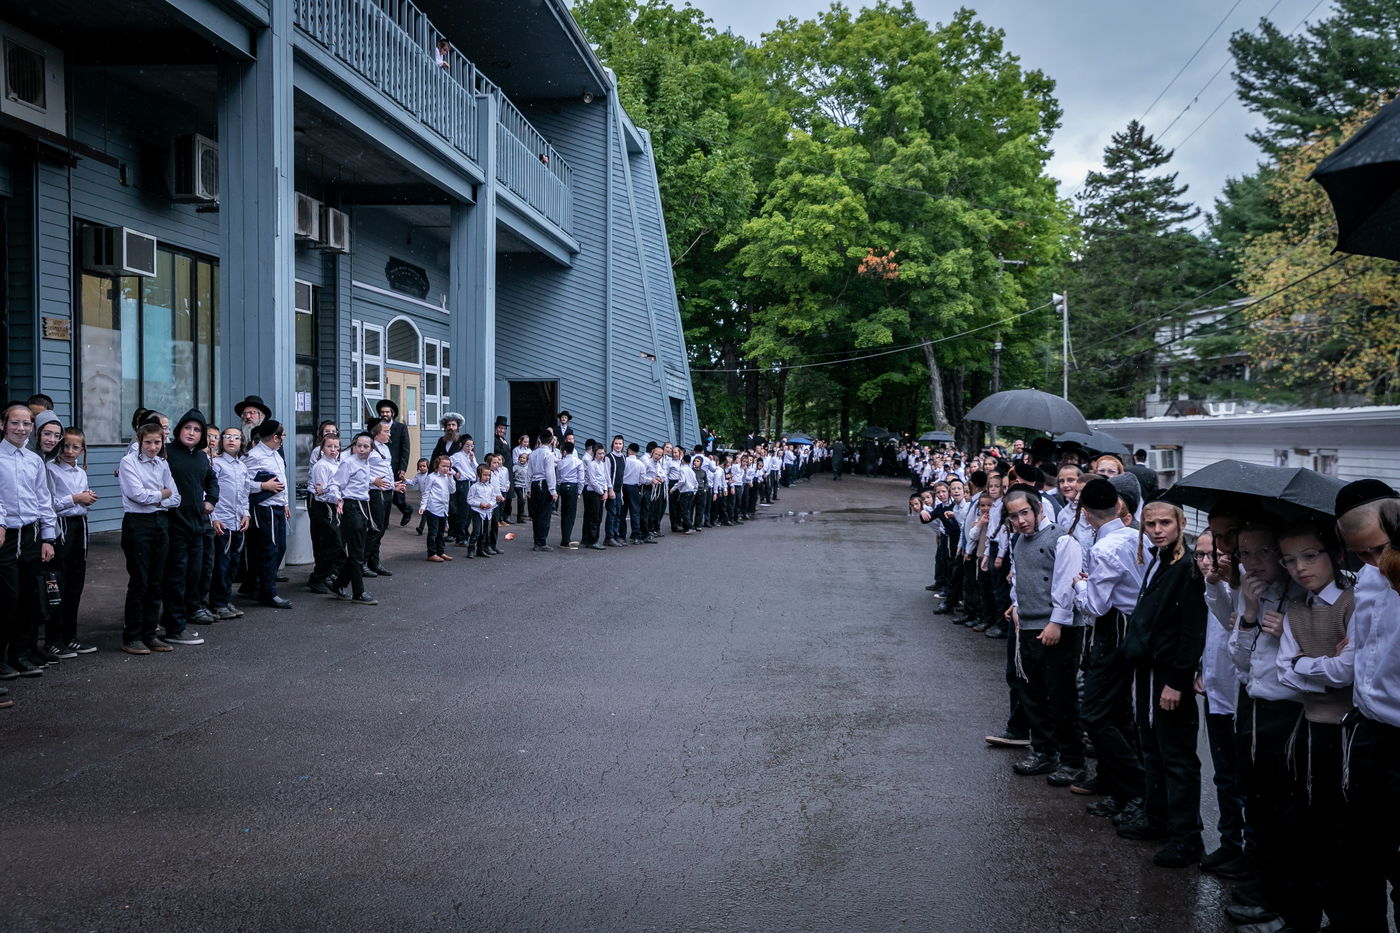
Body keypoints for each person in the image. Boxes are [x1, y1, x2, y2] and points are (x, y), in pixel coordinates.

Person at [1274, 519, 1357, 931]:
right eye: (1289, 561)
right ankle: (1304, 915)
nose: (1300, 567)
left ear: (1335, 555)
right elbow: (1283, 672)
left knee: (1342, 831)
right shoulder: (1295, 610)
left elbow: (1348, 672)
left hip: (1346, 734)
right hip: (1307, 728)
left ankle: (1342, 917)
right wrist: (1314, 666)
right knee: (1304, 825)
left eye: (1309, 556)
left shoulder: (1352, 603)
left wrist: (1304, 664)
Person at [1119, 499, 1206, 868]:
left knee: (1177, 756)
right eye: (1150, 523)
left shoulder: (1188, 567)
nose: (1157, 530)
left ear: (1181, 523)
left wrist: (1178, 680)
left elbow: (1191, 629)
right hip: (1147, 671)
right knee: (1151, 747)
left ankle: (1187, 837)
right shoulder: (1159, 559)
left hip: (1169, 675)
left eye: (1165, 523)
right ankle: (1158, 819)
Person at [1331, 479, 1399, 933]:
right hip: (1367, 732)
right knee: (1361, 852)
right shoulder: (1369, 578)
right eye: (1360, 554)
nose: (1372, 561)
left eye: (1377, 549)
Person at [1070, 475, 1147, 818]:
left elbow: (1096, 606)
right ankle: (1120, 789)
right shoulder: (1135, 535)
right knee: (1118, 712)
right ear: (1119, 506)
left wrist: (1078, 586)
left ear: (1085, 513)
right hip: (1133, 627)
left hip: (1113, 630)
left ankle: (1136, 787)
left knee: (1095, 714)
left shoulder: (1104, 548)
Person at [1004, 487, 1086, 786]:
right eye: (1014, 516)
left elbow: (1067, 582)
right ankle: (1043, 752)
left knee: (1061, 696)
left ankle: (1074, 761)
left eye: (1025, 513)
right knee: (1033, 693)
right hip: (1026, 626)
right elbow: (1018, 577)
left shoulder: (1062, 539)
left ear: (1038, 509)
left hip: (1058, 629)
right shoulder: (1018, 542)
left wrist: (1057, 622)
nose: (1021, 520)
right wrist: (1015, 605)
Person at [0, 404, 58, 682]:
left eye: (26, 424)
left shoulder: (33, 460)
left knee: (28, 598)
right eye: (15, 423)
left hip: (32, 534)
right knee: (6, 598)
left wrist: (48, 536)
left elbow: (43, 499)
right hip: (5, 536)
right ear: (3, 425)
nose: (21, 429)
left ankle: (20, 655)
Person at [118, 421, 179, 655]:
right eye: (148, 442)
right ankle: (131, 635)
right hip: (138, 524)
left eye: (157, 442)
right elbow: (137, 496)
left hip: (160, 523)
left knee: (156, 581)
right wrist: (162, 494)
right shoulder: (128, 462)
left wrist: (160, 497)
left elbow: (176, 497)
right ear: (139, 441)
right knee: (140, 581)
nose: (152, 447)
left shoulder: (162, 464)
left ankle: (149, 633)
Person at [157, 410, 218, 646]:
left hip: (198, 525)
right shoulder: (167, 453)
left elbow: (212, 480)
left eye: (197, 430)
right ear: (178, 429)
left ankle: (175, 618)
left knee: (194, 575)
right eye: (187, 428)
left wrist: (211, 500)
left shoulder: (202, 457)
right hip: (173, 525)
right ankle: (174, 627)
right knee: (175, 577)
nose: (191, 433)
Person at [45, 427, 98, 659]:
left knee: (76, 583)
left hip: (79, 526)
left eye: (75, 447)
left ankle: (70, 636)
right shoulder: (50, 469)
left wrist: (87, 499)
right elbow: (49, 503)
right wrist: (76, 498)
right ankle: (52, 639)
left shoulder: (80, 472)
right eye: (65, 445)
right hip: (61, 527)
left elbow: (81, 504)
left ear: (82, 449)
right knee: (59, 583)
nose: (69, 450)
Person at [244, 420, 292, 609]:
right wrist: (263, 486)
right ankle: (267, 592)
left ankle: (256, 585)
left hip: (278, 506)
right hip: (265, 507)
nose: (284, 438)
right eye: (283, 435)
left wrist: (286, 502)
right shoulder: (254, 456)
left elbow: (283, 480)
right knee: (268, 550)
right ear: (275, 437)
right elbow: (243, 481)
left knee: (279, 548)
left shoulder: (276, 454)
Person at [330, 433, 378, 605]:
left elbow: (364, 482)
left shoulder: (366, 464)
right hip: (351, 507)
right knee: (357, 551)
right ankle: (359, 592)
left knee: (360, 550)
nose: (362, 449)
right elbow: (336, 484)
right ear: (354, 446)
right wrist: (338, 500)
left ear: (372, 449)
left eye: (366, 446)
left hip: (363, 506)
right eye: (359, 445)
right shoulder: (349, 463)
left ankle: (339, 583)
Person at [208, 426, 249, 619]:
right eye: (227, 437)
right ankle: (217, 602)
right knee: (221, 563)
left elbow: (245, 493)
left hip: (238, 520)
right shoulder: (216, 464)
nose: (232, 440)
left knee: (234, 562)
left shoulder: (242, 466)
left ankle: (226, 599)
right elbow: (208, 491)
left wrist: (246, 514)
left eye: (236, 437)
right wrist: (213, 517)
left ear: (242, 442)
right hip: (222, 520)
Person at [307, 433, 346, 589]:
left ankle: (329, 573)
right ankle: (317, 578)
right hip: (325, 507)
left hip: (335, 506)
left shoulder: (336, 464)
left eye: (336, 446)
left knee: (337, 543)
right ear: (322, 448)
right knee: (332, 542)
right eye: (329, 446)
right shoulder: (321, 466)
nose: (333, 449)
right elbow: (320, 492)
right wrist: (336, 498)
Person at [364, 420, 401, 576]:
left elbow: (386, 470)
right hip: (375, 492)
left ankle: (374, 561)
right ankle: (362, 562)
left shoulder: (385, 448)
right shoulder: (368, 449)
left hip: (386, 491)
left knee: (382, 528)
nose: (389, 434)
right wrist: (374, 481)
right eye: (386, 431)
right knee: (375, 528)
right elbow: (361, 470)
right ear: (376, 432)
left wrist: (393, 485)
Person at [372, 400, 412, 525]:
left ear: (392, 413)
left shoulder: (400, 427)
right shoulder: (376, 427)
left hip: (395, 465)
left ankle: (407, 510)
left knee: (397, 496)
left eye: (387, 412)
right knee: (385, 493)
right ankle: (385, 522)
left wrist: (403, 467)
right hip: (379, 465)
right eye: (382, 412)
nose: (385, 414)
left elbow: (405, 448)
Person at [411, 455, 455, 562]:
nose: (446, 468)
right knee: (433, 532)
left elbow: (452, 490)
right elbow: (426, 492)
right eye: (443, 466)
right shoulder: (431, 477)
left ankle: (440, 551)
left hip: (444, 508)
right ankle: (431, 553)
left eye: (448, 466)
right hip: (433, 508)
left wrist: (451, 478)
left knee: (441, 532)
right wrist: (423, 506)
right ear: (437, 466)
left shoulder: (447, 477)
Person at [527, 436, 558, 551]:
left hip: (534, 484)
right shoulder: (549, 454)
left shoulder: (533, 453)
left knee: (536, 514)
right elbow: (550, 473)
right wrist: (553, 490)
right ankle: (542, 542)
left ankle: (536, 541)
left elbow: (529, 471)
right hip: (544, 484)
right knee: (545, 514)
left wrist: (528, 488)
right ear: (551, 441)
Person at [466, 464, 499, 558]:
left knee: (485, 532)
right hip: (477, 511)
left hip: (487, 512)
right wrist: (479, 504)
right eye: (485, 475)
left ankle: (481, 549)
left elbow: (493, 499)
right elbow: (469, 500)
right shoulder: (475, 487)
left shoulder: (490, 487)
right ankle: (471, 549)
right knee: (476, 531)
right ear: (479, 475)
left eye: (488, 475)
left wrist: (491, 504)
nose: (487, 477)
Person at [555, 441, 583, 549]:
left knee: (564, 512)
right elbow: (581, 479)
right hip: (573, 487)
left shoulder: (560, 463)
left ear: (564, 451)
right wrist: (579, 492)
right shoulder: (578, 462)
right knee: (571, 514)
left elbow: (558, 478)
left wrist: (558, 488)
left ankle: (565, 537)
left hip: (563, 486)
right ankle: (566, 539)